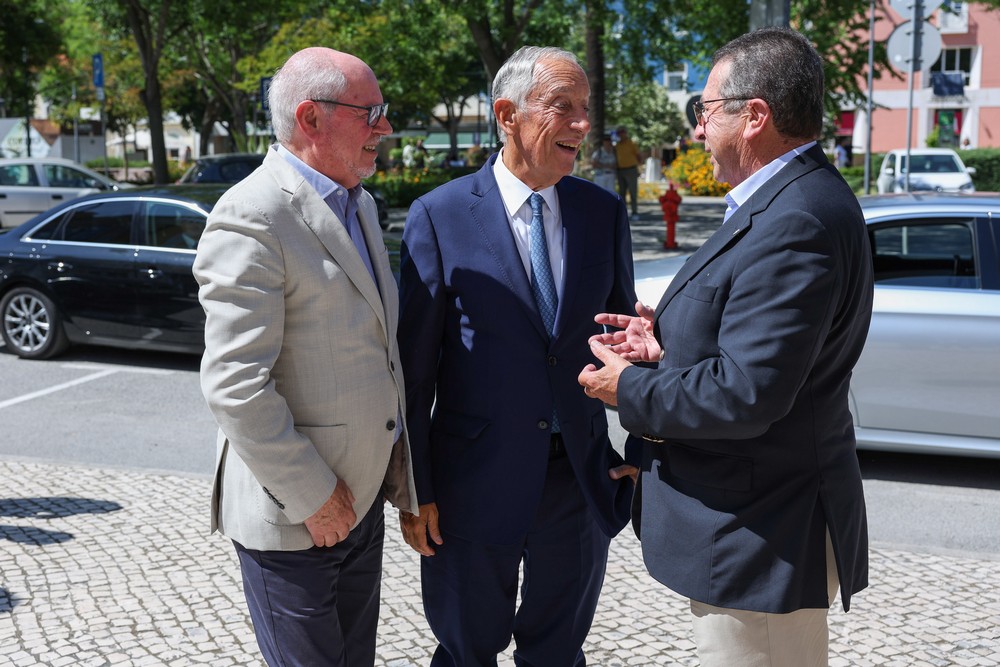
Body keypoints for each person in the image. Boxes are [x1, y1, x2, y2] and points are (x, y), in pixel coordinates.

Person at [578, 27, 873, 667]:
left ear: (754, 117)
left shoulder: (796, 218)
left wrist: (626, 387)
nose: (697, 131)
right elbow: (747, 344)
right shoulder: (786, 201)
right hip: (753, 529)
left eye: (705, 112)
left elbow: (748, 394)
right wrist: (663, 343)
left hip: (761, 537)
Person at [398, 45, 637, 667]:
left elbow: (630, 344)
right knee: (466, 650)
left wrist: (639, 453)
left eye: (586, 109)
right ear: (508, 114)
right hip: (469, 487)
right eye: (564, 108)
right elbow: (413, 371)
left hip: (577, 483)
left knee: (558, 653)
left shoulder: (602, 213)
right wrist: (415, 486)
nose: (583, 125)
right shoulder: (439, 215)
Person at [193, 47, 417, 667]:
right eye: (371, 113)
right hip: (297, 512)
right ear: (311, 118)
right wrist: (316, 495)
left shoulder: (359, 204)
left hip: (359, 501)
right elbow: (235, 385)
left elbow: (377, 353)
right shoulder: (252, 213)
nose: (386, 128)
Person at [614, 126, 641, 217]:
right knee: (622, 193)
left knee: (633, 192)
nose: (621, 134)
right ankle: (623, 213)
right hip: (620, 170)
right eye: (619, 133)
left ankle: (634, 212)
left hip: (631, 169)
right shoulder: (617, 145)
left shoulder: (631, 143)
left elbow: (638, 156)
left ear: (625, 133)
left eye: (622, 132)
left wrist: (639, 168)